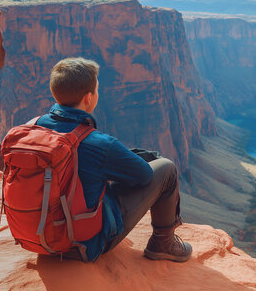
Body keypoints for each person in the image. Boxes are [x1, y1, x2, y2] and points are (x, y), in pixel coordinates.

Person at [35, 57, 192, 263]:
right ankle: (163, 244)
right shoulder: (99, 144)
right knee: (167, 168)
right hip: (86, 244)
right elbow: (144, 176)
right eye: (97, 91)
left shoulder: (34, 127)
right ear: (88, 98)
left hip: (39, 236)